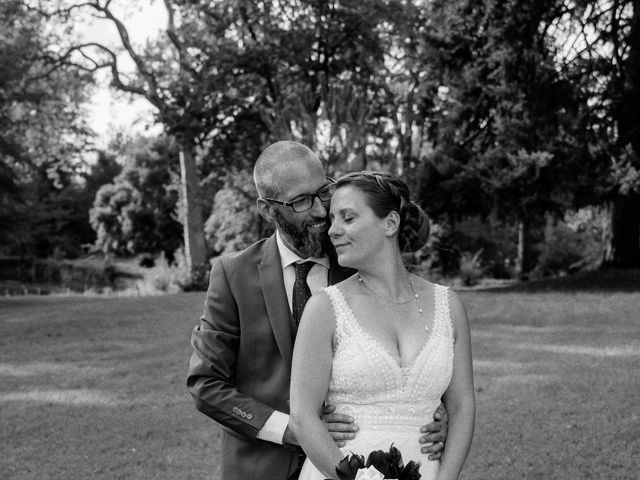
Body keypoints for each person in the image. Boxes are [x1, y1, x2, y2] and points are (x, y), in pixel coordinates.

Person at [187, 141, 448, 480]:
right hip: (260, 466)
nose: (321, 211)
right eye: (300, 201)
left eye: (323, 191)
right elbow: (205, 382)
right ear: (267, 209)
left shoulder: (359, 257)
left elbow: (410, 337)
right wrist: (291, 428)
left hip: (360, 460)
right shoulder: (233, 275)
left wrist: (430, 409)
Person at [290, 171, 475, 480]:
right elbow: (302, 416)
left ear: (390, 223)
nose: (333, 231)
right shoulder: (324, 308)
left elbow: (462, 406)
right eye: (332, 220)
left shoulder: (449, 305)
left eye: (347, 219)